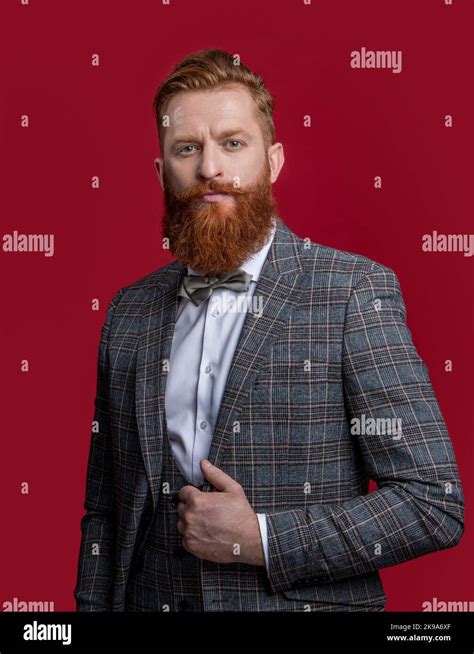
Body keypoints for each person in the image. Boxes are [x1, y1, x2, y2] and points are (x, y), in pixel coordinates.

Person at [74, 49, 464, 612]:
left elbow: (433, 503)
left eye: (233, 144)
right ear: (163, 171)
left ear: (273, 161)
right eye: (188, 148)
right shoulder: (129, 313)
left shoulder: (352, 292)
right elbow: (105, 514)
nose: (210, 167)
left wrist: (260, 538)